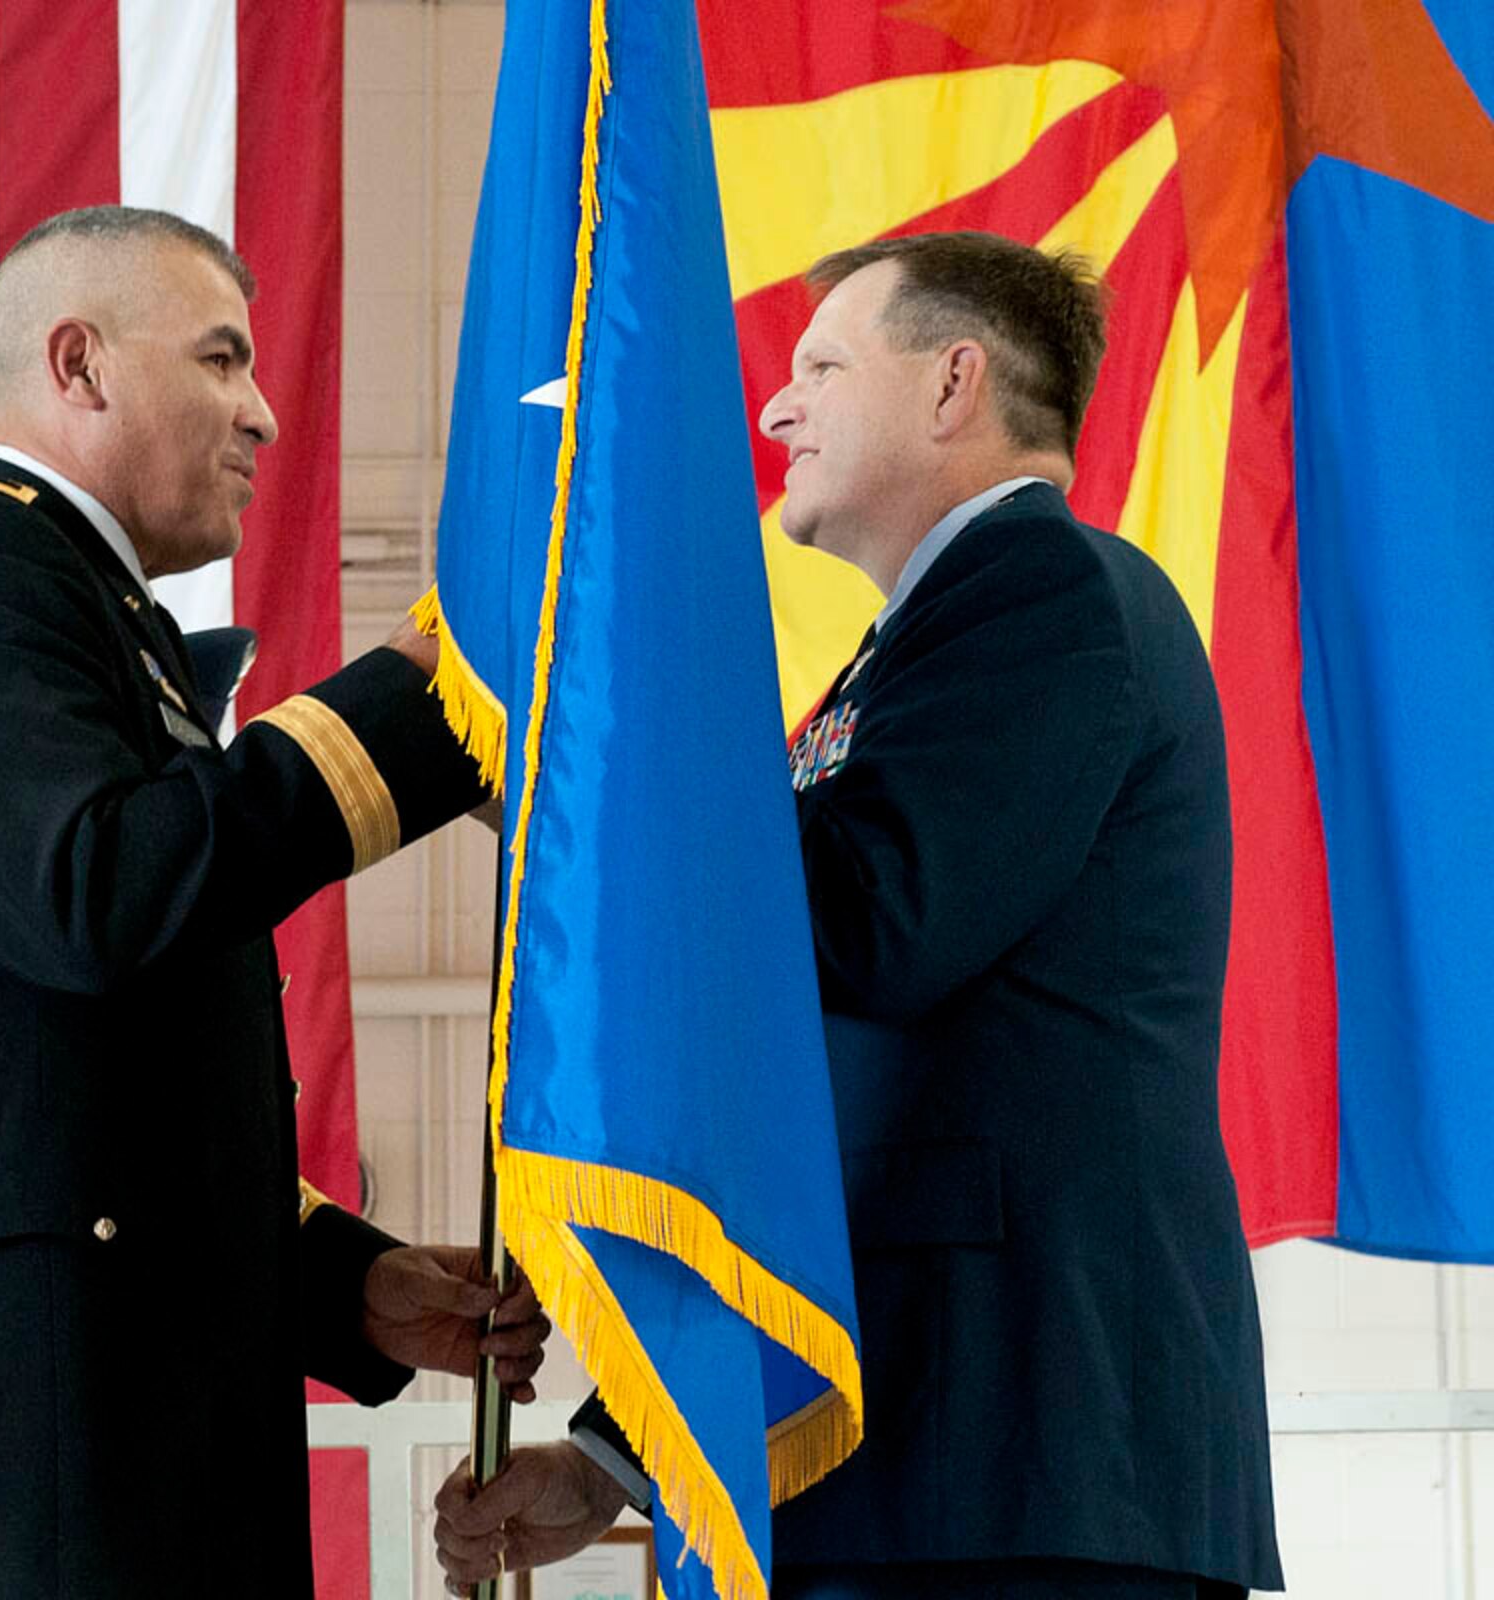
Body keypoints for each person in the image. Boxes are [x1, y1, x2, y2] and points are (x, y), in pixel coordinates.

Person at [0, 205, 547, 1600]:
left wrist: (348, 1280)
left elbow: (87, 1085)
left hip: (86, 1424)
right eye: (222, 359)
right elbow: (98, 897)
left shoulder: (78, 603)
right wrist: (424, 695)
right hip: (8, 1450)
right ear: (80, 365)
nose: (266, 414)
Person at [432, 232, 1282, 1598]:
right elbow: (823, 1115)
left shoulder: (1042, 591)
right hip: (940, 1461)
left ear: (954, 385)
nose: (775, 407)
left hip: (1016, 1457)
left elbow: (863, 923)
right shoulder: (913, 658)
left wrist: (569, 780)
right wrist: (618, 1456)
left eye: (822, 364)